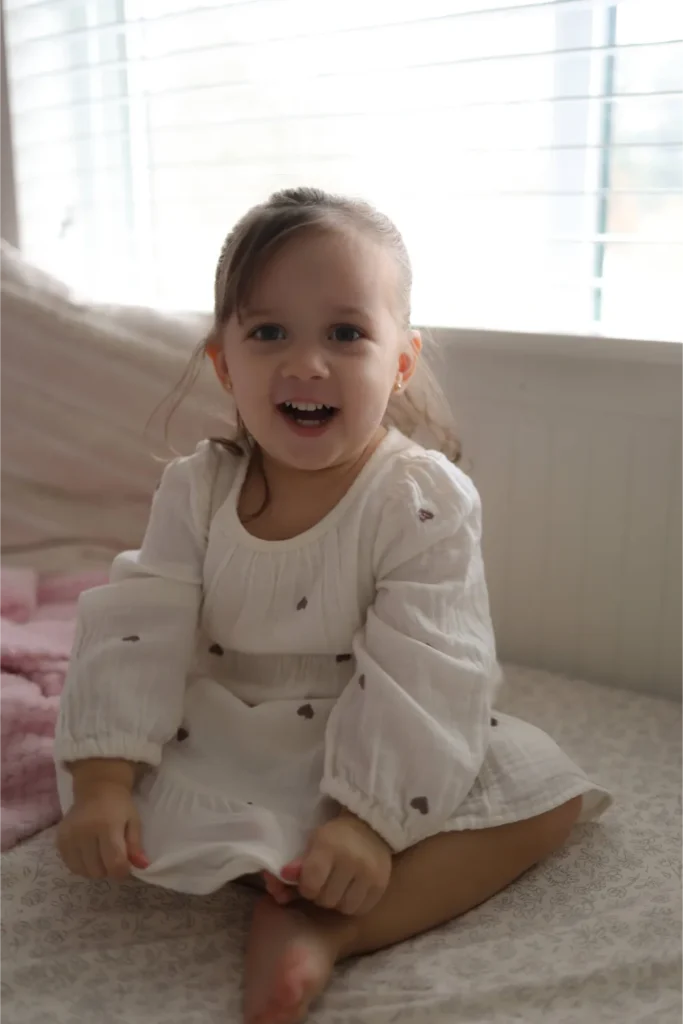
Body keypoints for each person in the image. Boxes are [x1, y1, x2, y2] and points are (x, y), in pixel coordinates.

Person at [55, 187, 611, 1024]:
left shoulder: (419, 497)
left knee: (544, 790)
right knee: (130, 792)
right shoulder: (197, 488)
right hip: (223, 725)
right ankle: (274, 858)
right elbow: (140, 626)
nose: (305, 363)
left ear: (399, 363)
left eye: (345, 333)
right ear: (223, 362)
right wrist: (102, 780)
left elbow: (431, 668)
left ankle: (326, 927)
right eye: (268, 331)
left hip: (373, 728)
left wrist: (365, 821)